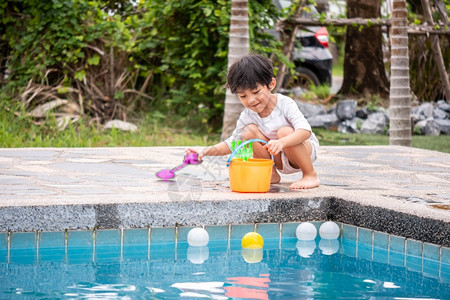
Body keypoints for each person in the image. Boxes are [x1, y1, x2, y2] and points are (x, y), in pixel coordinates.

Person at [188, 54, 320, 189]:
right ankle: (270, 173)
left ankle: (310, 175)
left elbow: (305, 131)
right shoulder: (247, 115)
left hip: (302, 153)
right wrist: (205, 151)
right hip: (278, 158)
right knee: (248, 131)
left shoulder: (285, 104)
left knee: (284, 131)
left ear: (271, 84)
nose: (251, 100)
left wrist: (282, 142)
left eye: (256, 92)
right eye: (243, 96)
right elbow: (232, 144)